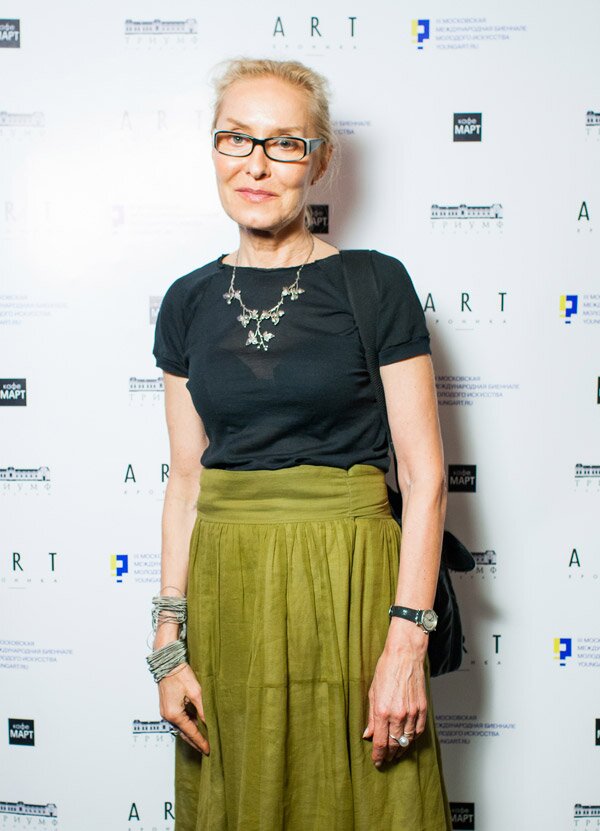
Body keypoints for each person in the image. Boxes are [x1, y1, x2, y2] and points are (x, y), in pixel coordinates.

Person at [148, 57, 451, 831]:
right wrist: (168, 642)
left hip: (352, 578)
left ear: (319, 161)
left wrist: (405, 644)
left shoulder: (374, 284)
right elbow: (186, 479)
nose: (255, 164)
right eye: (236, 138)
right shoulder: (185, 301)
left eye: (284, 143)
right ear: (214, 148)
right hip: (230, 587)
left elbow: (423, 476)